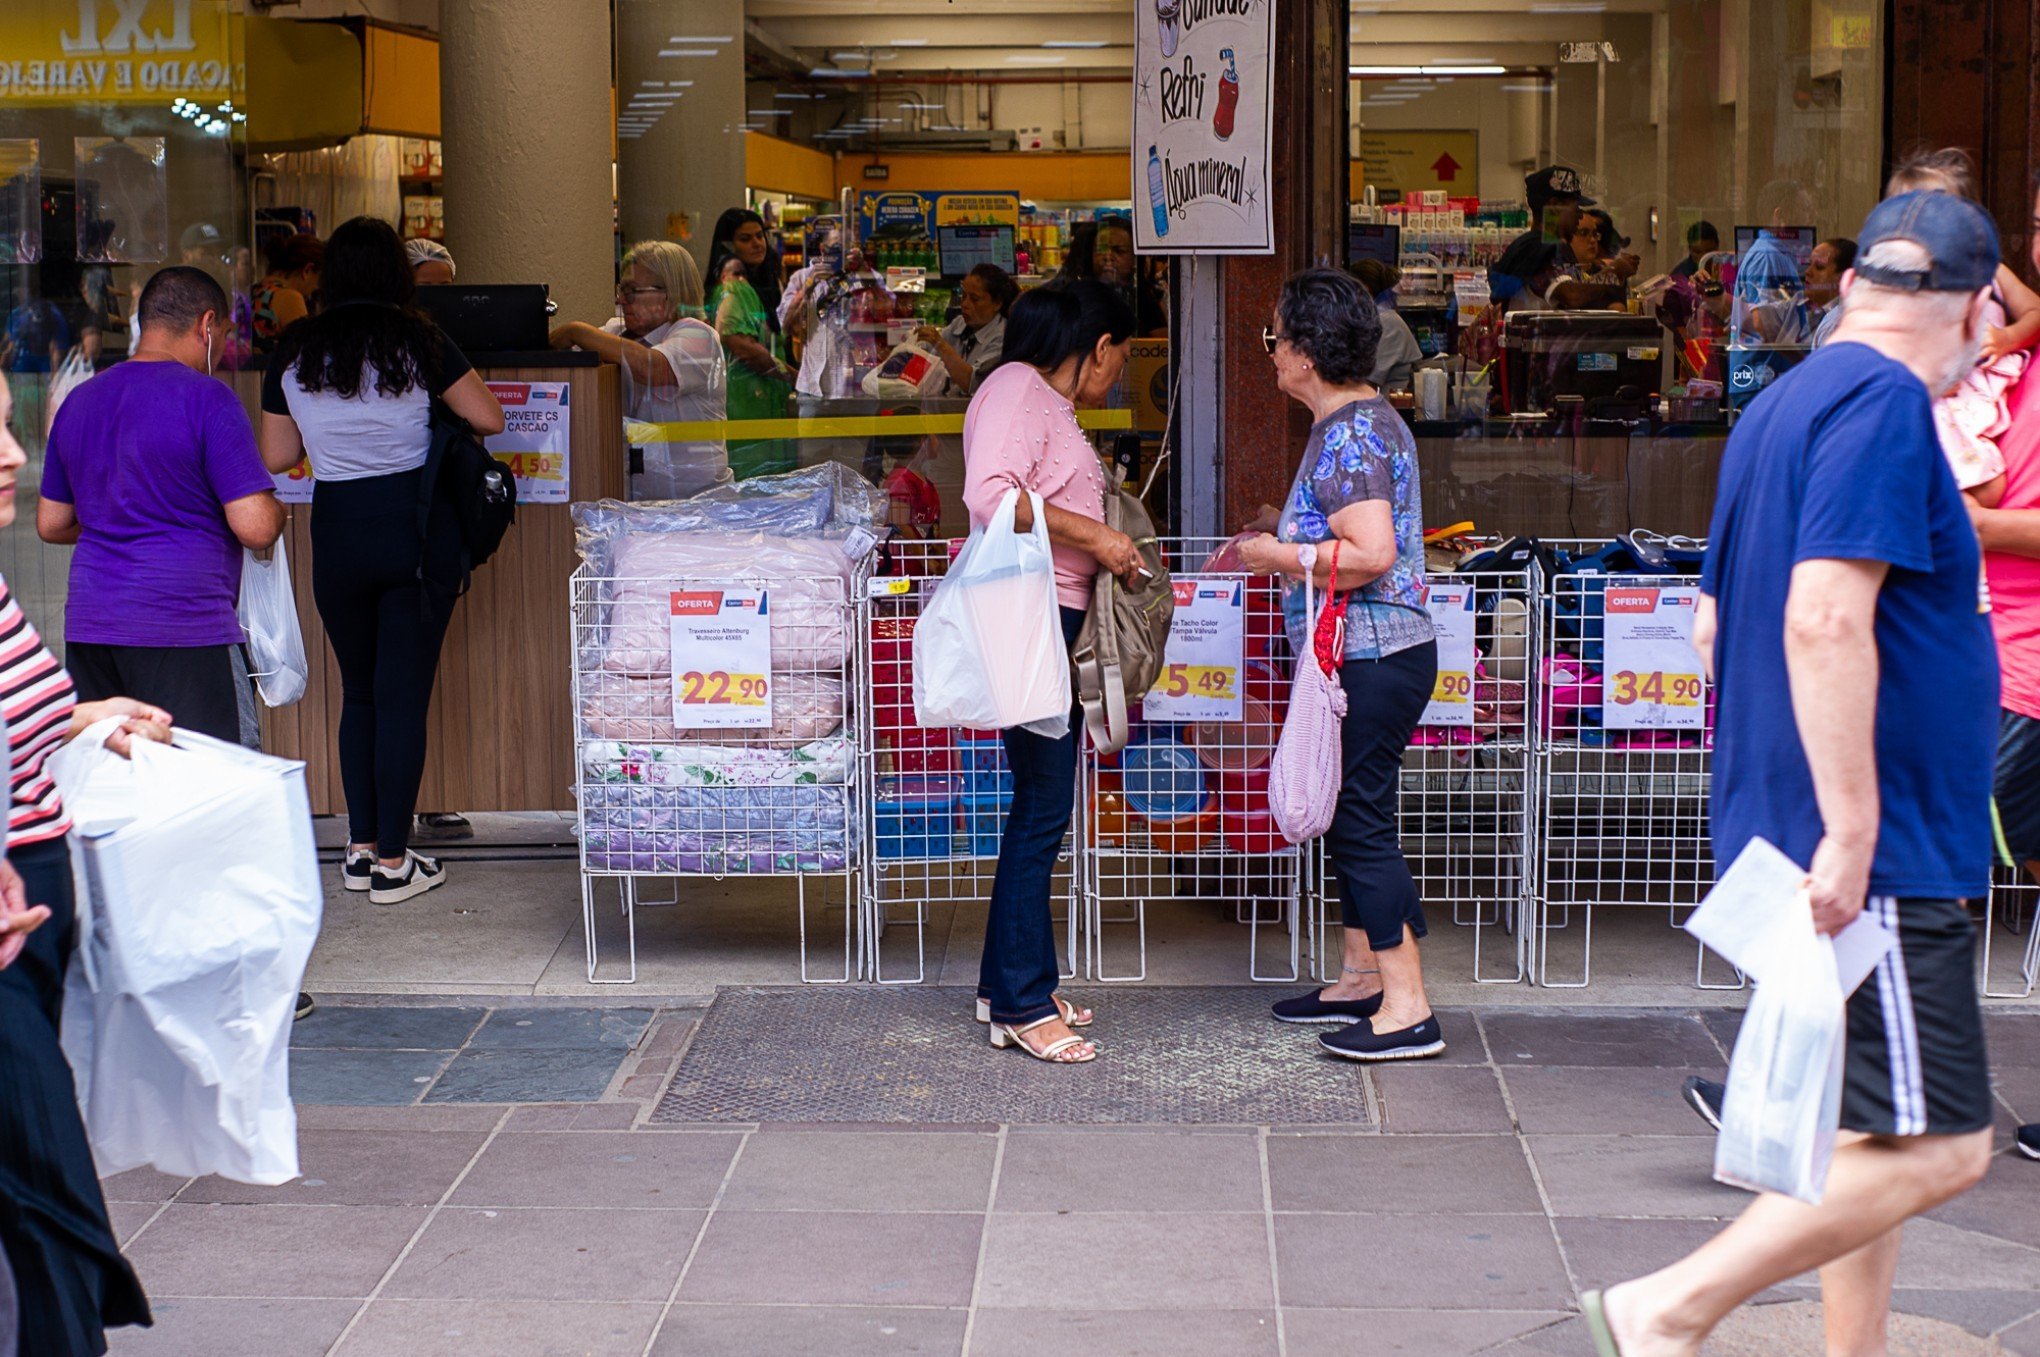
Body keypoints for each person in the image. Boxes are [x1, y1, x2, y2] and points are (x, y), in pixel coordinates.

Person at [1593, 192, 2003, 1357]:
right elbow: (1824, 618)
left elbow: (1717, 627)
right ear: (1974, 306)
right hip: (1866, 848)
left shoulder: (1784, 403)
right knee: (1943, 1144)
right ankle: (1664, 1310)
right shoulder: (1880, 401)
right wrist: (1856, 828)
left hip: (1785, 831)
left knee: (1869, 1130)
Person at [257, 216, 505, 906]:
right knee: (402, 697)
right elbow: (488, 418)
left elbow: (277, 457)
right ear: (397, 274)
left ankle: (362, 848)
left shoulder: (295, 350)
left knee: (359, 691)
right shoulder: (419, 340)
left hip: (338, 533)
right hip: (414, 534)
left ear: (330, 276)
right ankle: (396, 863)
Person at [1240, 268, 1443, 1061]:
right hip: (1378, 650)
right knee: (1352, 811)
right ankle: (1361, 975)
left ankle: (1408, 1003)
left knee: (1359, 821)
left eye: (1275, 337)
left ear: (1307, 350)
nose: (1271, 352)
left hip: (1372, 650)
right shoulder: (1357, 423)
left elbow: (1369, 552)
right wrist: (1283, 534)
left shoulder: (1351, 432)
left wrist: (1274, 553)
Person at [0, 366, 162, 1357]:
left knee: (31, 1166)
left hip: (31, 898)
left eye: (10, 428)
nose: (17, 453)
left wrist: (83, 713)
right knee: (39, 1168)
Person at [962, 280, 1142, 1065]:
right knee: (1041, 807)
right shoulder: (1017, 388)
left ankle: (1008, 980)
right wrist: (1096, 538)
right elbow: (989, 496)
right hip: (1035, 618)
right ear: (1098, 346)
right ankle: (1022, 1005)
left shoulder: (1042, 400)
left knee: (1041, 802)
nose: (1121, 373)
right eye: (1122, 356)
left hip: (1051, 616)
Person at [36, 264, 282, 747]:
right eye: (226, 335)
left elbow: (51, 522)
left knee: (115, 780)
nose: (225, 349)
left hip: (93, 623)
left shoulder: (80, 401)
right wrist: (275, 511)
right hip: (184, 625)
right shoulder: (209, 399)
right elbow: (254, 527)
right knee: (210, 784)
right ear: (206, 325)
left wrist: (121, 521)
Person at [550, 238, 730, 499]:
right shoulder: (617, 332)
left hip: (694, 503)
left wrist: (575, 330)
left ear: (670, 292)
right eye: (621, 290)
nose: (622, 300)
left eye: (633, 291)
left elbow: (652, 368)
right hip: (635, 500)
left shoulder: (699, 335)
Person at [705, 210, 795, 479]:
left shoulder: (753, 284)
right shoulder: (736, 287)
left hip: (760, 399)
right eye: (745, 238)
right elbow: (740, 345)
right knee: (754, 486)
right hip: (745, 401)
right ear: (729, 246)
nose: (758, 244)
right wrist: (794, 377)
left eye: (760, 235)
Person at [1489, 165, 1633, 312]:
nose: (1580, 215)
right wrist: (1614, 273)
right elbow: (1572, 296)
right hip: (1536, 334)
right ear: (1554, 206)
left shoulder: (1536, 246)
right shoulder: (1540, 250)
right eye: (1576, 207)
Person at [916, 262, 1016, 395]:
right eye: (963, 296)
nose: (965, 304)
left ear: (997, 303)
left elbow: (971, 383)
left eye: (974, 299)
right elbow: (927, 349)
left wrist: (940, 344)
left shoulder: (1003, 338)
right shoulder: (960, 323)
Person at [1345, 259, 1423, 391]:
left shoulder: (1387, 322)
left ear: (1364, 290)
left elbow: (1365, 382)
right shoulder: (1373, 320)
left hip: (1390, 406)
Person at [249, 233, 322, 353]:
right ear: (307, 270)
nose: (316, 288)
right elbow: (307, 354)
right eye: (319, 279)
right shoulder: (289, 297)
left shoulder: (255, 291)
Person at [1804, 236, 1856, 321]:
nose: (1808, 272)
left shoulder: (1842, 321)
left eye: (1819, 267)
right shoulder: (1806, 307)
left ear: (1843, 277)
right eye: (1809, 264)